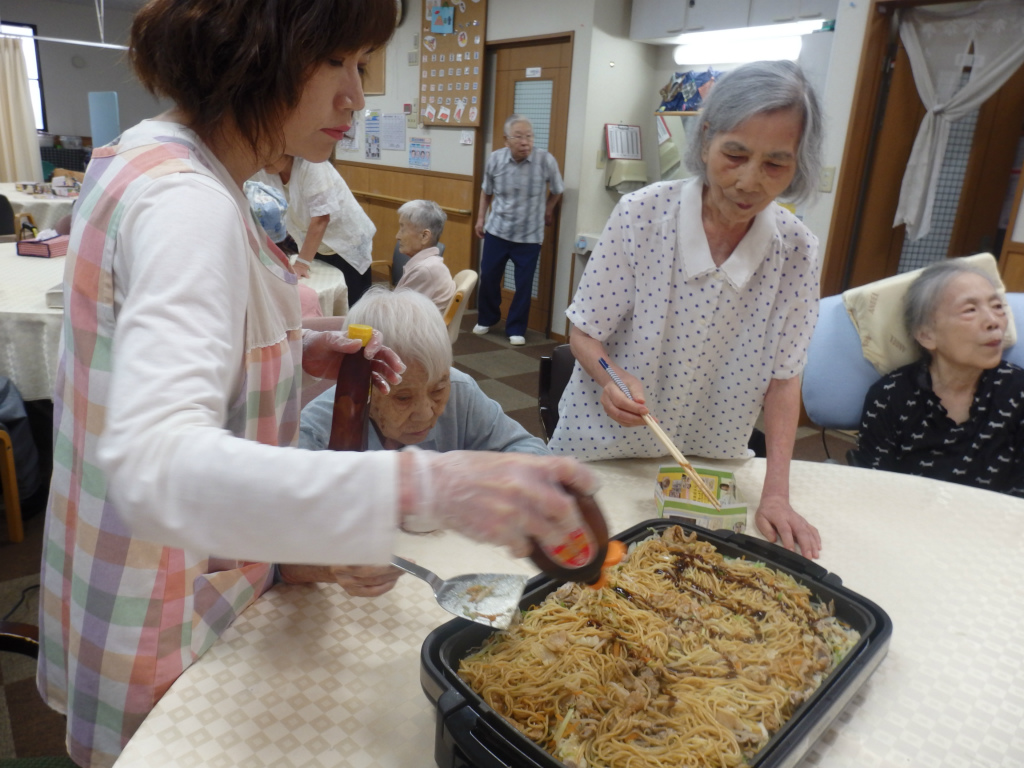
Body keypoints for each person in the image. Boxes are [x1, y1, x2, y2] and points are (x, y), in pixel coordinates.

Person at [36, 3, 597, 766]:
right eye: (339, 60)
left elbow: (144, 345)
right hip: (158, 598)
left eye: (360, 65)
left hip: (128, 573)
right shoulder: (188, 202)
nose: (356, 97)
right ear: (257, 47)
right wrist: (423, 486)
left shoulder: (152, 154)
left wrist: (297, 345)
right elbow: (154, 459)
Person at [547, 60, 824, 559]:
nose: (749, 182)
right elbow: (585, 334)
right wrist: (611, 377)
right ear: (704, 142)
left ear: (798, 164)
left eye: (776, 164)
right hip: (603, 453)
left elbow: (785, 381)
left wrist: (776, 493)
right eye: (735, 155)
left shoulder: (797, 250)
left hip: (708, 464)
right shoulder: (643, 215)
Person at [301, 286, 547, 456]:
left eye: (438, 390)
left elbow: (531, 451)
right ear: (363, 386)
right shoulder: (317, 430)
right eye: (403, 397)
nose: (426, 413)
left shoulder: (461, 392)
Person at [854, 259, 1024, 495]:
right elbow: (871, 487)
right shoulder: (890, 396)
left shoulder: (1018, 392)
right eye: (970, 310)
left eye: (997, 307)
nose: (994, 321)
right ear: (926, 335)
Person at [473, 114, 564, 346]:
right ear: (506, 140)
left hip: (529, 236)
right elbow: (486, 191)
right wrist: (481, 218)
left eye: (529, 136)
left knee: (524, 285)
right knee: (490, 277)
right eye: (519, 137)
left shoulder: (546, 161)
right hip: (497, 230)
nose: (526, 142)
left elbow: (558, 189)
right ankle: (487, 317)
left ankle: (516, 328)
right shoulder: (495, 159)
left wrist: (548, 210)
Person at [254, 153, 376, 304]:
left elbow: (321, 219)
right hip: (313, 241)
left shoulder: (312, 163)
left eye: (268, 154)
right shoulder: (267, 170)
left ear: (287, 149)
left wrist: (302, 263)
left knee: (353, 300)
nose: (262, 161)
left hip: (346, 241)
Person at [393, 199, 456, 312]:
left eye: (403, 229)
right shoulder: (430, 265)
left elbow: (397, 314)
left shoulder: (424, 270)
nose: (397, 236)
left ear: (424, 236)